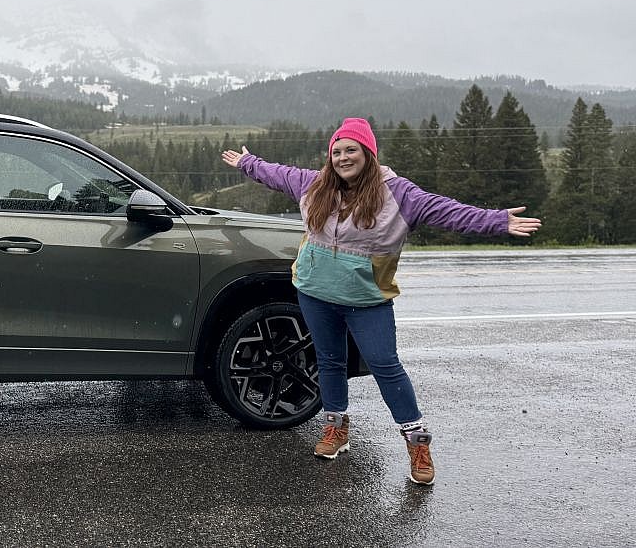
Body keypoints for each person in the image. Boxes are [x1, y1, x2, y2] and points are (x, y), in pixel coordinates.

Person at [221, 117, 540, 485]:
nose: (343, 158)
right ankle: (336, 428)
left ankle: (417, 443)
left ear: (368, 153)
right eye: (337, 152)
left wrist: (496, 221)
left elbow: (448, 211)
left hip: (367, 299)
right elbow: (277, 174)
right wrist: (248, 163)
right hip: (314, 292)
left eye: (351, 150)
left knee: (386, 366)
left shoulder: (399, 194)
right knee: (329, 361)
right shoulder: (315, 184)